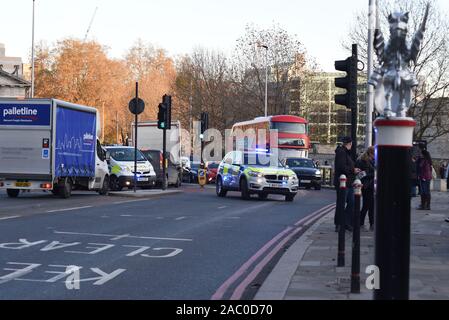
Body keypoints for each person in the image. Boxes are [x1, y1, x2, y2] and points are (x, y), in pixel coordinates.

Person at [333, 137, 359, 232]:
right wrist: (353, 170)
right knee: (341, 203)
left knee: (352, 203)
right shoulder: (341, 152)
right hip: (343, 183)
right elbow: (341, 167)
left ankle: (346, 222)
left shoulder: (345, 153)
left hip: (349, 183)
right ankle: (339, 224)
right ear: (350, 143)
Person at [355, 147, 375, 231]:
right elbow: (363, 175)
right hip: (366, 186)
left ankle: (371, 224)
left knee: (370, 206)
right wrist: (375, 173)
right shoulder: (363, 161)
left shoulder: (370, 161)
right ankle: (362, 224)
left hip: (370, 186)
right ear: (371, 153)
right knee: (367, 205)